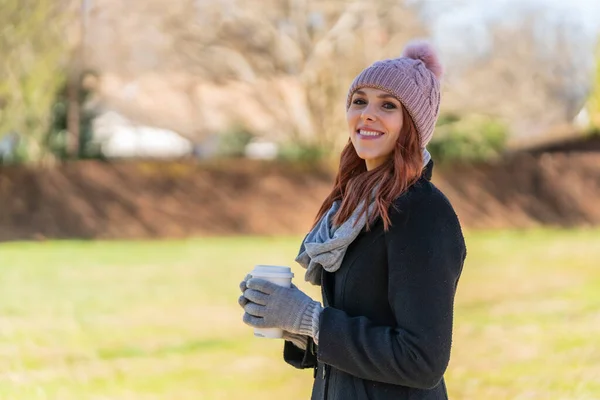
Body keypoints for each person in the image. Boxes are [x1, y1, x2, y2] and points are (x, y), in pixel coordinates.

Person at [238, 40, 467, 400]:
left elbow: (422, 361)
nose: (367, 114)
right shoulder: (355, 207)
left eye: (388, 105)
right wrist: (295, 326)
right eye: (359, 101)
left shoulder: (422, 212)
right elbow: (364, 329)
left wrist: (312, 319)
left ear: (414, 125)